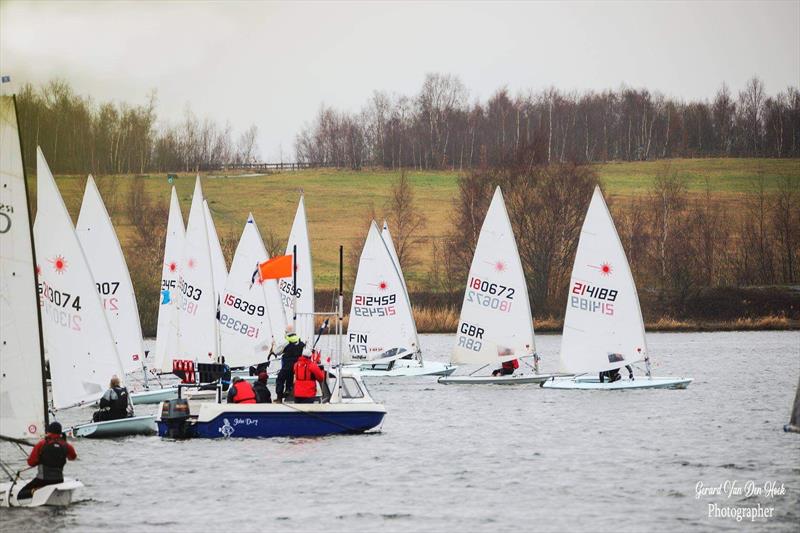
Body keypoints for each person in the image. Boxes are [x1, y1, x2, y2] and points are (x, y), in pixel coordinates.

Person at [16, 422, 77, 501]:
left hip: (42, 480)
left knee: (20, 494)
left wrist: (41, 459)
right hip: (58, 480)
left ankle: (35, 491)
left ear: (49, 432)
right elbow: (72, 457)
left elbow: (31, 462)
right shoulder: (67, 445)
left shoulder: (42, 444)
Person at [275, 325, 305, 403]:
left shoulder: (286, 342)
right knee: (290, 379)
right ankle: (288, 391)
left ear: (286, 332)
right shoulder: (300, 342)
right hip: (296, 367)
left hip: (287, 365)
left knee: (280, 379)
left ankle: (279, 398)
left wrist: (274, 346)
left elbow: (277, 352)